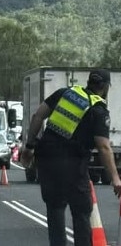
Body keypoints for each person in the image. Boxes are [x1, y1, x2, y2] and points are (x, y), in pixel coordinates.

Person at [21, 69, 121, 246]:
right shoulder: (98, 109)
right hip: (73, 163)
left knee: (55, 207)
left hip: (47, 158)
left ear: (89, 82)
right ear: (105, 87)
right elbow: (104, 147)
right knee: (81, 210)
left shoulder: (65, 93)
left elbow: (38, 116)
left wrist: (29, 147)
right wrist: (115, 179)